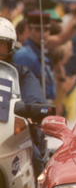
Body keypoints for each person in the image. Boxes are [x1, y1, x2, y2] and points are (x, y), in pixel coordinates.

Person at [0, 17, 47, 176]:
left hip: (11, 133)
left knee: (35, 158)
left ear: (10, 47)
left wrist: (33, 109)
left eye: (0, 45)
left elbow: (34, 99)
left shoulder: (21, 72)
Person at [12, 11, 56, 102]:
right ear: (29, 29)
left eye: (46, 30)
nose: (43, 34)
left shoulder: (39, 53)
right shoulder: (24, 55)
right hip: (32, 107)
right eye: (38, 30)